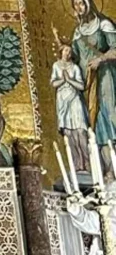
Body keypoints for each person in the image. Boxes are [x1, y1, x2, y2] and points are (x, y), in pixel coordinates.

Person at [71, 0, 116, 160]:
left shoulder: (104, 24)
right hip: (87, 81)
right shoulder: (78, 32)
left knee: (109, 112)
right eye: (75, 5)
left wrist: (100, 59)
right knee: (94, 119)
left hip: (106, 76)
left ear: (89, 4)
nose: (79, 8)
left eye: (81, 3)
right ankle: (107, 165)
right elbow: (75, 58)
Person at [52, 41, 90, 173]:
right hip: (63, 100)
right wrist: (63, 80)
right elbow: (54, 83)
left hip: (75, 100)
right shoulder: (56, 66)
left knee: (80, 131)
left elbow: (81, 86)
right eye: (65, 50)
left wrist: (69, 80)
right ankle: (77, 164)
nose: (68, 53)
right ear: (61, 51)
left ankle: (87, 163)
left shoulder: (75, 68)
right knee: (68, 132)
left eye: (70, 51)